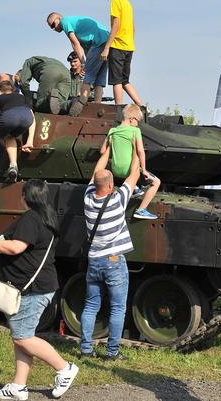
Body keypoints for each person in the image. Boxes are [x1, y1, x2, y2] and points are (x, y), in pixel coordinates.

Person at [0, 179, 79, 400]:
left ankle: (64, 369)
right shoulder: (46, 218)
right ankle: (19, 386)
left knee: (22, 338)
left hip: (32, 288)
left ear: (25, 196)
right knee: (21, 336)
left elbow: (15, 247)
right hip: (36, 286)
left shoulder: (31, 218)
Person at [80, 136, 140, 360]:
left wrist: (107, 151)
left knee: (91, 305)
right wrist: (134, 147)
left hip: (94, 260)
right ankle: (112, 352)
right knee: (117, 308)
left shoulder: (87, 199)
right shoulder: (118, 201)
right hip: (114, 261)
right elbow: (134, 175)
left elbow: (97, 171)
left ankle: (86, 349)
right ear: (111, 186)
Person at [100, 104, 160, 219]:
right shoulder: (134, 131)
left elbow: (103, 151)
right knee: (156, 182)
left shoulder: (112, 130)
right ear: (131, 119)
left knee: (127, 167)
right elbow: (141, 152)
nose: (138, 124)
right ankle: (141, 210)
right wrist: (145, 170)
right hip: (130, 172)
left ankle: (135, 189)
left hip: (116, 171)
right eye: (138, 120)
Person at [46, 13, 109, 114]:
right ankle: (97, 106)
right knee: (99, 79)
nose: (53, 29)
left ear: (58, 18)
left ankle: (80, 104)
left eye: (53, 25)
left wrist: (84, 64)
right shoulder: (75, 25)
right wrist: (85, 61)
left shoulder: (65, 22)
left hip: (98, 42)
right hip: (106, 41)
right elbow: (84, 47)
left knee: (87, 77)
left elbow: (75, 44)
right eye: (51, 28)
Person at [95, 0, 143, 106]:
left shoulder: (115, 2)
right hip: (129, 46)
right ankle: (141, 106)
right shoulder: (127, 2)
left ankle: (118, 110)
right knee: (125, 81)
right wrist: (130, 42)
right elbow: (133, 27)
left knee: (116, 81)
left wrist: (106, 48)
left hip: (118, 46)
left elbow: (115, 26)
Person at [0, 80, 35, 184]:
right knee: (10, 137)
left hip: (10, 117)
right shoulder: (22, 97)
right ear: (12, 90)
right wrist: (30, 140)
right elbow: (32, 117)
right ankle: (13, 167)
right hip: (27, 118)